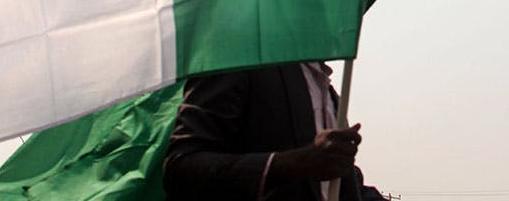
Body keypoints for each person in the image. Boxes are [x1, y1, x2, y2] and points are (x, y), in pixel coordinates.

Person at [163, 61, 386, 201]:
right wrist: (295, 163)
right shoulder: (240, 61)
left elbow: (337, 183)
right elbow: (182, 169)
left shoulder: (327, 90)